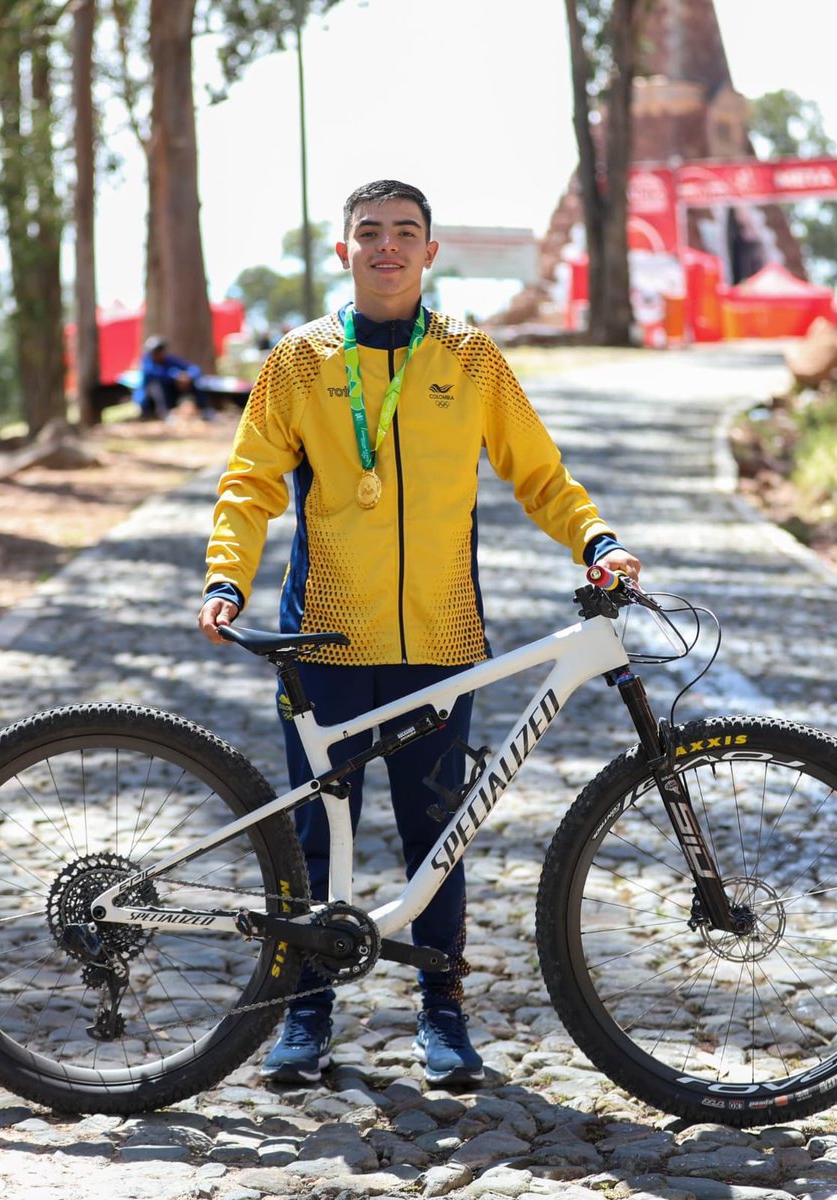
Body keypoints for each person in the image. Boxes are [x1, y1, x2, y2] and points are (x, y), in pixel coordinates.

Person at [198, 180, 641, 1089]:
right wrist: (225, 578)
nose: (387, 247)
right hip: (324, 638)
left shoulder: (472, 361)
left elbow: (539, 474)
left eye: (405, 233)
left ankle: (443, 1014)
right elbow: (249, 484)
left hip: (440, 638)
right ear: (343, 252)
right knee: (323, 838)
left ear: (431, 252)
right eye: (370, 233)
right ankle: (304, 1016)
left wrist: (593, 537)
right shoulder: (297, 361)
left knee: (437, 832)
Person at [134, 335, 214, 421]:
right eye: (154, 352)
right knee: (157, 385)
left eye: (159, 352)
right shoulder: (146, 362)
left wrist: (188, 376)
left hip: (172, 394)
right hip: (148, 400)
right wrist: (176, 377)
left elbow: (194, 368)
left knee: (196, 383)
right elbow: (156, 374)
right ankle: (165, 413)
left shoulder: (170, 360)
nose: (157, 355)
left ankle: (206, 410)